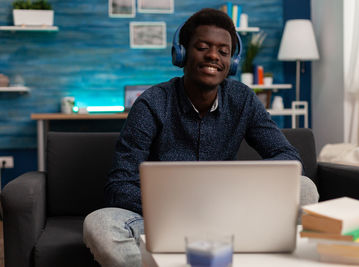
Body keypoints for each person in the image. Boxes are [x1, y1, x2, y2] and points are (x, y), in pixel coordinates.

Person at [83, 8, 318, 267]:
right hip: (162, 217)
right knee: (100, 223)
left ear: (233, 62)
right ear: (181, 53)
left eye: (223, 51)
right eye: (203, 47)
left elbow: (288, 158)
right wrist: (182, 207)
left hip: (228, 214)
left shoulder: (243, 100)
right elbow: (118, 185)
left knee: (305, 187)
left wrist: (237, 192)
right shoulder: (151, 104)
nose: (213, 56)